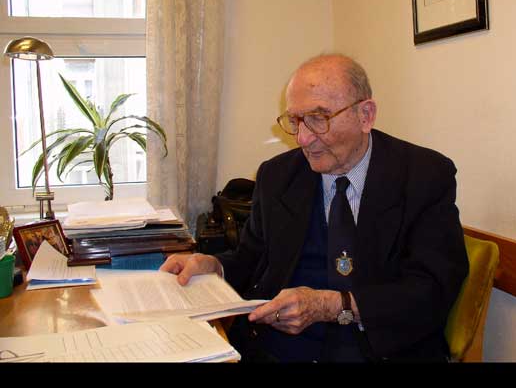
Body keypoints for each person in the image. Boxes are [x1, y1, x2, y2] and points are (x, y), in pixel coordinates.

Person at [161, 54, 469, 362]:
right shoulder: (277, 176)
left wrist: (333, 305)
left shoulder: (423, 176)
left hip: (379, 349)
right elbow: (251, 259)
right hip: (276, 350)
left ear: (365, 115)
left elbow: (432, 289)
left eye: (319, 119)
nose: (303, 138)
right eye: (295, 121)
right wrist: (215, 267)